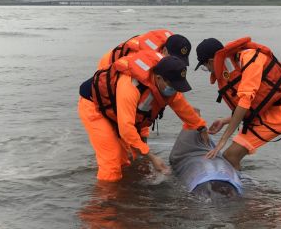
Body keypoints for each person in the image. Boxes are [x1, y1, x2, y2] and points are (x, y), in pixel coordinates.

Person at [195, 36, 281, 179]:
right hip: (266, 115)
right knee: (230, 156)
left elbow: (245, 101)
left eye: (205, 67)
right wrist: (224, 120)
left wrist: (222, 140)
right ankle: (241, 193)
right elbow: (256, 103)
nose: (208, 70)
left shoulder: (250, 57)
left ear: (211, 61)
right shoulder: (229, 67)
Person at [78, 51, 208, 182]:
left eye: (177, 86)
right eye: (173, 86)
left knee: (125, 160)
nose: (174, 89)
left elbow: (183, 108)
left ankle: (124, 195)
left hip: (117, 111)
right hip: (94, 107)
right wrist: (151, 157)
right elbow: (126, 129)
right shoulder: (130, 87)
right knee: (111, 161)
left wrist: (201, 127)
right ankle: (104, 200)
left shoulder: (168, 86)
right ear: (158, 78)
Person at [97, 29, 192, 70]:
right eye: (175, 59)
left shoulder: (172, 41)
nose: (177, 63)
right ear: (164, 51)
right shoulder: (141, 58)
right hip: (107, 65)